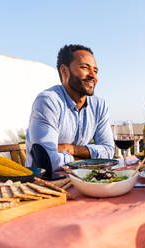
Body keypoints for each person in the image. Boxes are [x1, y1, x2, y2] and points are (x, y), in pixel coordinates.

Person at [25, 44, 115, 172]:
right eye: (84, 67)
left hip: (83, 179)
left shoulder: (99, 105)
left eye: (95, 71)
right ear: (64, 71)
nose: (93, 76)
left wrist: (70, 149)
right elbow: (47, 162)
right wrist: (87, 160)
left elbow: (109, 152)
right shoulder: (48, 101)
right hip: (46, 182)